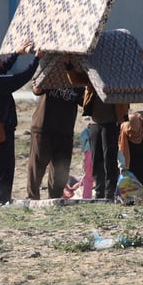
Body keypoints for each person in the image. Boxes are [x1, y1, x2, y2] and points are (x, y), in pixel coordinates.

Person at [0, 43, 40, 206]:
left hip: (5, 129)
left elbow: (4, 68)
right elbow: (21, 78)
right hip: (1, 131)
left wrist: (16, 54)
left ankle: (3, 198)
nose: (2, 61)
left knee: (7, 165)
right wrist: (37, 59)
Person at [26, 65, 84, 200]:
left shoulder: (78, 79)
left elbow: (84, 102)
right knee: (37, 166)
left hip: (64, 130)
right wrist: (37, 85)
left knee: (60, 168)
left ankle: (56, 198)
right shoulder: (51, 72)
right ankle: (32, 198)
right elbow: (37, 89)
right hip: (43, 127)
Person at [83, 86, 128, 200]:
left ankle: (109, 195)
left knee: (109, 160)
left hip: (111, 123)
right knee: (96, 160)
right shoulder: (93, 77)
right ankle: (99, 193)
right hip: (95, 124)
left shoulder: (115, 79)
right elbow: (78, 79)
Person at [119, 111, 143, 189]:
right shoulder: (125, 126)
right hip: (129, 144)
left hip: (142, 140)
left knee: (140, 165)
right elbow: (122, 148)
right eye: (129, 133)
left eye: (133, 132)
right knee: (130, 165)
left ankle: (142, 190)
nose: (131, 135)